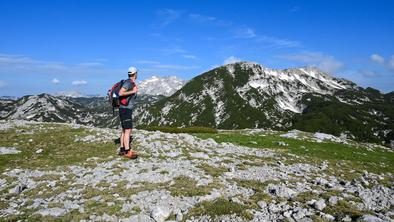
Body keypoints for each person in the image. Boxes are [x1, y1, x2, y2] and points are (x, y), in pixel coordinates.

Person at [118, 66, 139, 159]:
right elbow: (120, 93)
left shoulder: (129, 82)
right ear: (135, 74)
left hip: (123, 109)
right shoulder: (129, 83)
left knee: (124, 130)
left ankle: (122, 149)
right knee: (128, 130)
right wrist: (132, 91)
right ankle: (127, 151)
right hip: (126, 109)